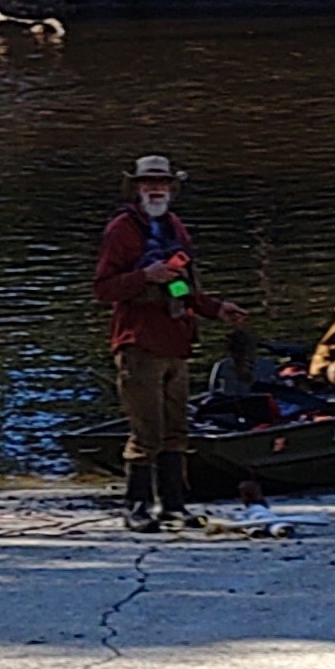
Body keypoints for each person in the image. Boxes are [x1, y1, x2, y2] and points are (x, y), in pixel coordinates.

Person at [92, 153, 245, 530]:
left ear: (172, 188)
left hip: (177, 343)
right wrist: (145, 276)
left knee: (177, 430)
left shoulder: (175, 228)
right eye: (149, 183)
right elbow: (104, 289)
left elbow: (180, 286)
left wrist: (215, 309)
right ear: (137, 188)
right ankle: (137, 507)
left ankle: (174, 506)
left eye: (162, 183)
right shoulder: (121, 230)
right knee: (147, 431)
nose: (156, 189)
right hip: (139, 344)